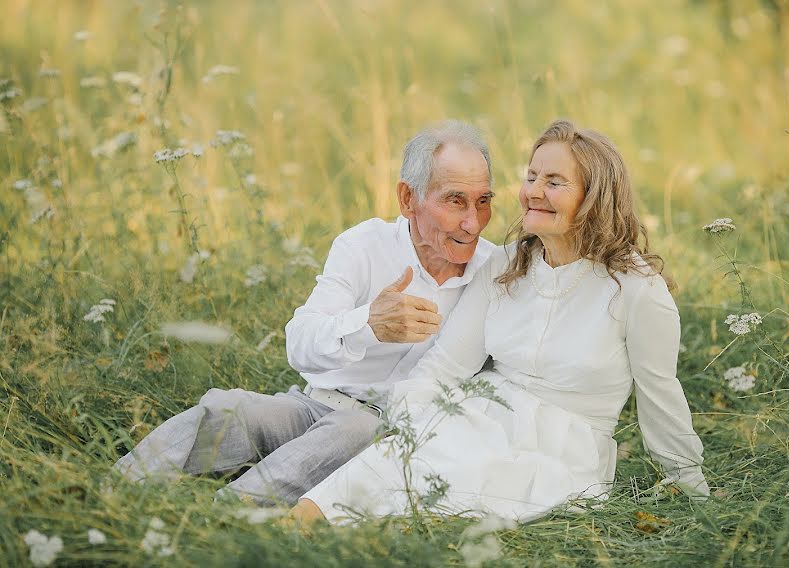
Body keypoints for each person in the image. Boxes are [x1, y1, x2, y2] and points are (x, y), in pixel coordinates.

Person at [291, 119, 710, 524]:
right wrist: (409, 427)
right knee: (333, 498)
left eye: (554, 182)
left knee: (436, 496)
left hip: (561, 450)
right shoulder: (504, 266)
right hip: (475, 417)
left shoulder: (637, 289)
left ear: (594, 197)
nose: (533, 193)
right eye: (531, 177)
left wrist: (690, 486)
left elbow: (661, 397)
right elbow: (445, 366)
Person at [113, 120, 496, 506]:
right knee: (229, 408)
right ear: (407, 198)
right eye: (455, 200)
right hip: (314, 404)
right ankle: (113, 490)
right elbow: (299, 342)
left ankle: (227, 514)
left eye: (483, 201)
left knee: (354, 430)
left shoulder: (495, 272)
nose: (473, 222)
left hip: (388, 431)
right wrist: (368, 325)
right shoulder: (363, 245)